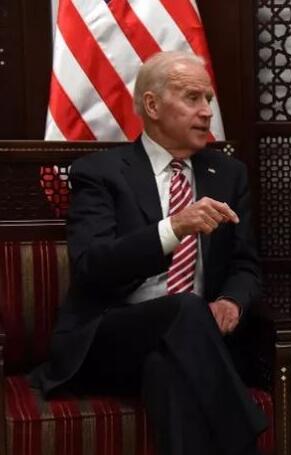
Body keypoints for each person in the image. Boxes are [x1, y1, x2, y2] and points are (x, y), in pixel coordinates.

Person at [30, 51, 265, 455]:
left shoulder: (227, 174)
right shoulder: (100, 173)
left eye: (208, 99)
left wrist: (231, 300)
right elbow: (91, 267)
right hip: (112, 335)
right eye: (192, 98)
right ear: (153, 106)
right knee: (187, 308)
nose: (207, 112)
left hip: (194, 341)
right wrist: (174, 228)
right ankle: (246, 434)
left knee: (167, 367)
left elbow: (245, 263)